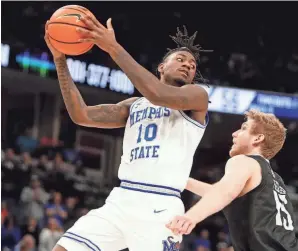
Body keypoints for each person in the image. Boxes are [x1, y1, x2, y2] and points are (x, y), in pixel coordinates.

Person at [44, 6, 211, 251]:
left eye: (193, 64)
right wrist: (60, 60)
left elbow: (157, 93)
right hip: (121, 200)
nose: (188, 65)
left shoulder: (197, 97)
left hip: (160, 205)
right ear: (161, 68)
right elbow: (81, 115)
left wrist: (112, 47)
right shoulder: (133, 106)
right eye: (180, 59)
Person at [167, 109, 298, 251]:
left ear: (257, 138)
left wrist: (190, 217)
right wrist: (180, 180)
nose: (234, 134)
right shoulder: (275, 180)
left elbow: (224, 192)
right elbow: (220, 192)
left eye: (243, 129)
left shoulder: (244, 161)